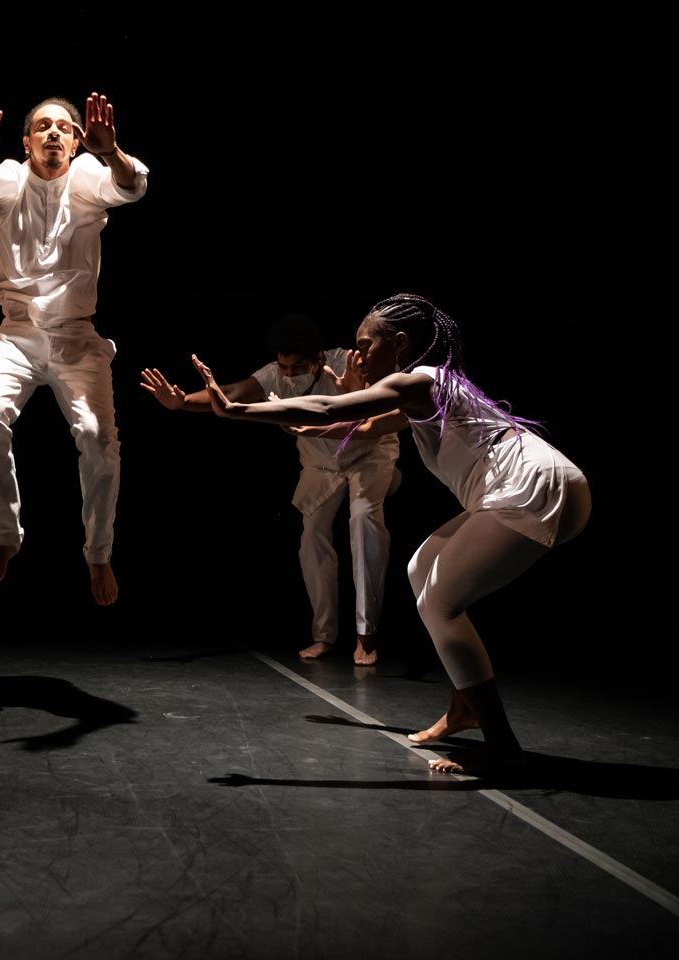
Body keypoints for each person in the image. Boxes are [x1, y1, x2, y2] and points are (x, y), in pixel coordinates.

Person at [191, 294, 589, 776]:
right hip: (545, 484)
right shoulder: (427, 389)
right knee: (422, 569)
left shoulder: (416, 379)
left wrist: (238, 411)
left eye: (365, 346)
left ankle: (503, 746)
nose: (356, 356)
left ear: (399, 344)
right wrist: (321, 408)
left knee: (439, 604)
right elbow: (355, 425)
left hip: (532, 487)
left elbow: (325, 405)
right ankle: (464, 708)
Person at [0, 89, 148, 605]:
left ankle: (99, 553)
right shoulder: (10, 177)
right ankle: (3, 536)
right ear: (27, 141)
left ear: (78, 141)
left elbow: (134, 185)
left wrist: (111, 151)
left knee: (99, 440)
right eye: (43, 126)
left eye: (64, 127)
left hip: (76, 338)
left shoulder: (89, 178)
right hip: (15, 333)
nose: (53, 132)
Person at [140, 315, 401, 665]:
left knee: (363, 520)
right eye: (285, 367)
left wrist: (357, 391)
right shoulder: (273, 374)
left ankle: (366, 637)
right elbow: (231, 395)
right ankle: (324, 635)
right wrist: (183, 401)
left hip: (368, 454)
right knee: (311, 538)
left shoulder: (347, 362)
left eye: (299, 367)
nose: (290, 375)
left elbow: (382, 411)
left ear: (319, 358)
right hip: (320, 465)